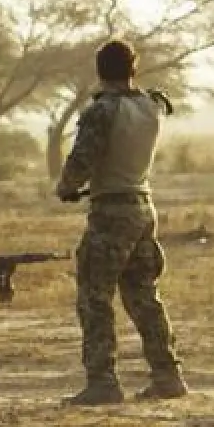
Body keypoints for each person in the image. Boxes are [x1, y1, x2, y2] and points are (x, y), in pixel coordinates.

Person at [56, 39, 188, 405]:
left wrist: (65, 186)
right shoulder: (152, 106)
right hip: (143, 207)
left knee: (94, 297)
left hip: (111, 212)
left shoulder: (102, 111)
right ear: (133, 68)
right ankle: (167, 375)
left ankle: (102, 382)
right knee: (144, 296)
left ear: (100, 70)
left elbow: (82, 160)